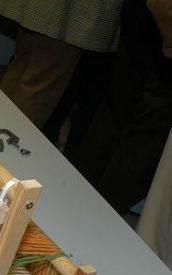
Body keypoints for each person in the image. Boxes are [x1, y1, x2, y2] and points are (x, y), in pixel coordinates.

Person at [73, 0, 172, 215]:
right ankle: (101, 215)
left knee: (117, 112)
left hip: (145, 12)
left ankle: (77, 200)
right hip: (163, 19)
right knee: (148, 131)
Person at [0, 0, 123, 129]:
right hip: (70, 12)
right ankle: (9, 138)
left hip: (45, 8)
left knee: (21, 71)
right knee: (39, 87)